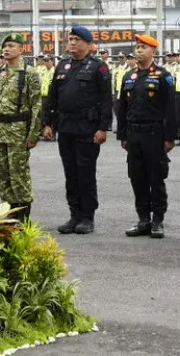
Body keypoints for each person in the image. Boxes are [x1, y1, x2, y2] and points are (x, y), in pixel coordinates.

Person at [42, 26, 114, 234]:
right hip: (66, 127)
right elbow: (51, 97)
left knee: (85, 173)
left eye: (77, 39)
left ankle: (87, 217)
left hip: (87, 128)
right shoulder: (62, 66)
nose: (72, 42)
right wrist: (48, 123)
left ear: (88, 44)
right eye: (70, 39)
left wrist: (102, 128)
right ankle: (74, 214)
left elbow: (106, 101)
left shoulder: (98, 67)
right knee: (70, 173)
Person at [116, 34, 177, 239]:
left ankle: (158, 220)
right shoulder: (128, 76)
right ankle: (143, 219)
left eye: (144, 47)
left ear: (153, 52)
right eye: (137, 47)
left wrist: (169, 137)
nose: (139, 50)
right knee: (137, 177)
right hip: (134, 134)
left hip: (154, 133)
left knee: (156, 177)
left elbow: (170, 108)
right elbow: (122, 108)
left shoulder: (162, 75)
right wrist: (122, 134)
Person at [0, 34, 43, 222]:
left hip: (18, 130)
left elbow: (36, 105)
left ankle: (23, 216)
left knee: (18, 175)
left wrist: (33, 134)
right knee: (2, 175)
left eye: (11, 45)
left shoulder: (29, 73)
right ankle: (8, 214)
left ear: (21, 49)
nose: (6, 49)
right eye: (4, 46)